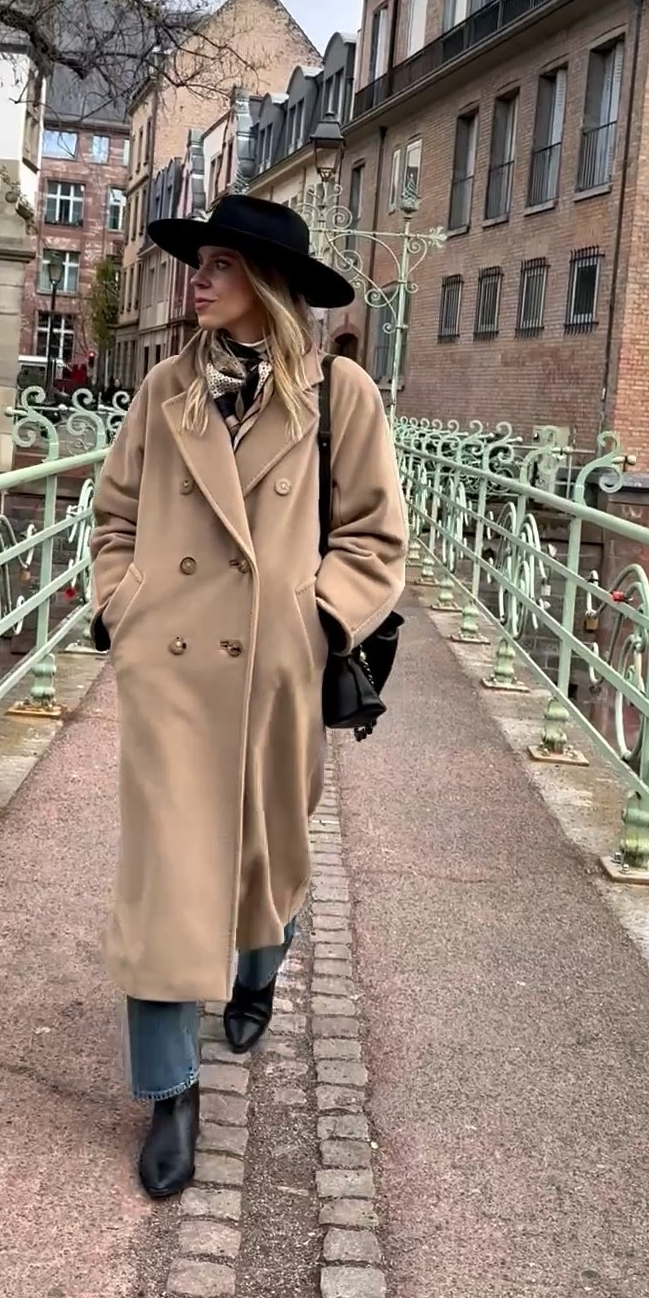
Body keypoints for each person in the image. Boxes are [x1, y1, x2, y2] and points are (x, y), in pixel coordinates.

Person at [89, 194, 407, 1198]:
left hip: (277, 672)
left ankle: (259, 970)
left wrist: (315, 624)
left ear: (263, 285)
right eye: (199, 261)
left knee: (268, 852)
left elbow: (373, 537)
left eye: (220, 264)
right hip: (172, 673)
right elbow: (115, 514)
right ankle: (169, 1091)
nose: (200, 278)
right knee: (167, 877)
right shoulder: (162, 392)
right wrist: (119, 606)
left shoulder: (338, 397)